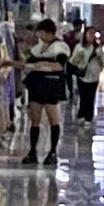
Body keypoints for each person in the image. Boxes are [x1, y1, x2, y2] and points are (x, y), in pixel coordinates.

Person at [18, 13, 70, 165]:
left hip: (51, 85)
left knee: (53, 118)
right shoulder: (38, 48)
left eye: (41, 32)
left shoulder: (60, 47)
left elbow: (59, 65)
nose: (39, 35)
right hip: (37, 84)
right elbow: (28, 61)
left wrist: (38, 66)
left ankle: (53, 151)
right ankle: (32, 151)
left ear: (48, 32)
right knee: (35, 119)